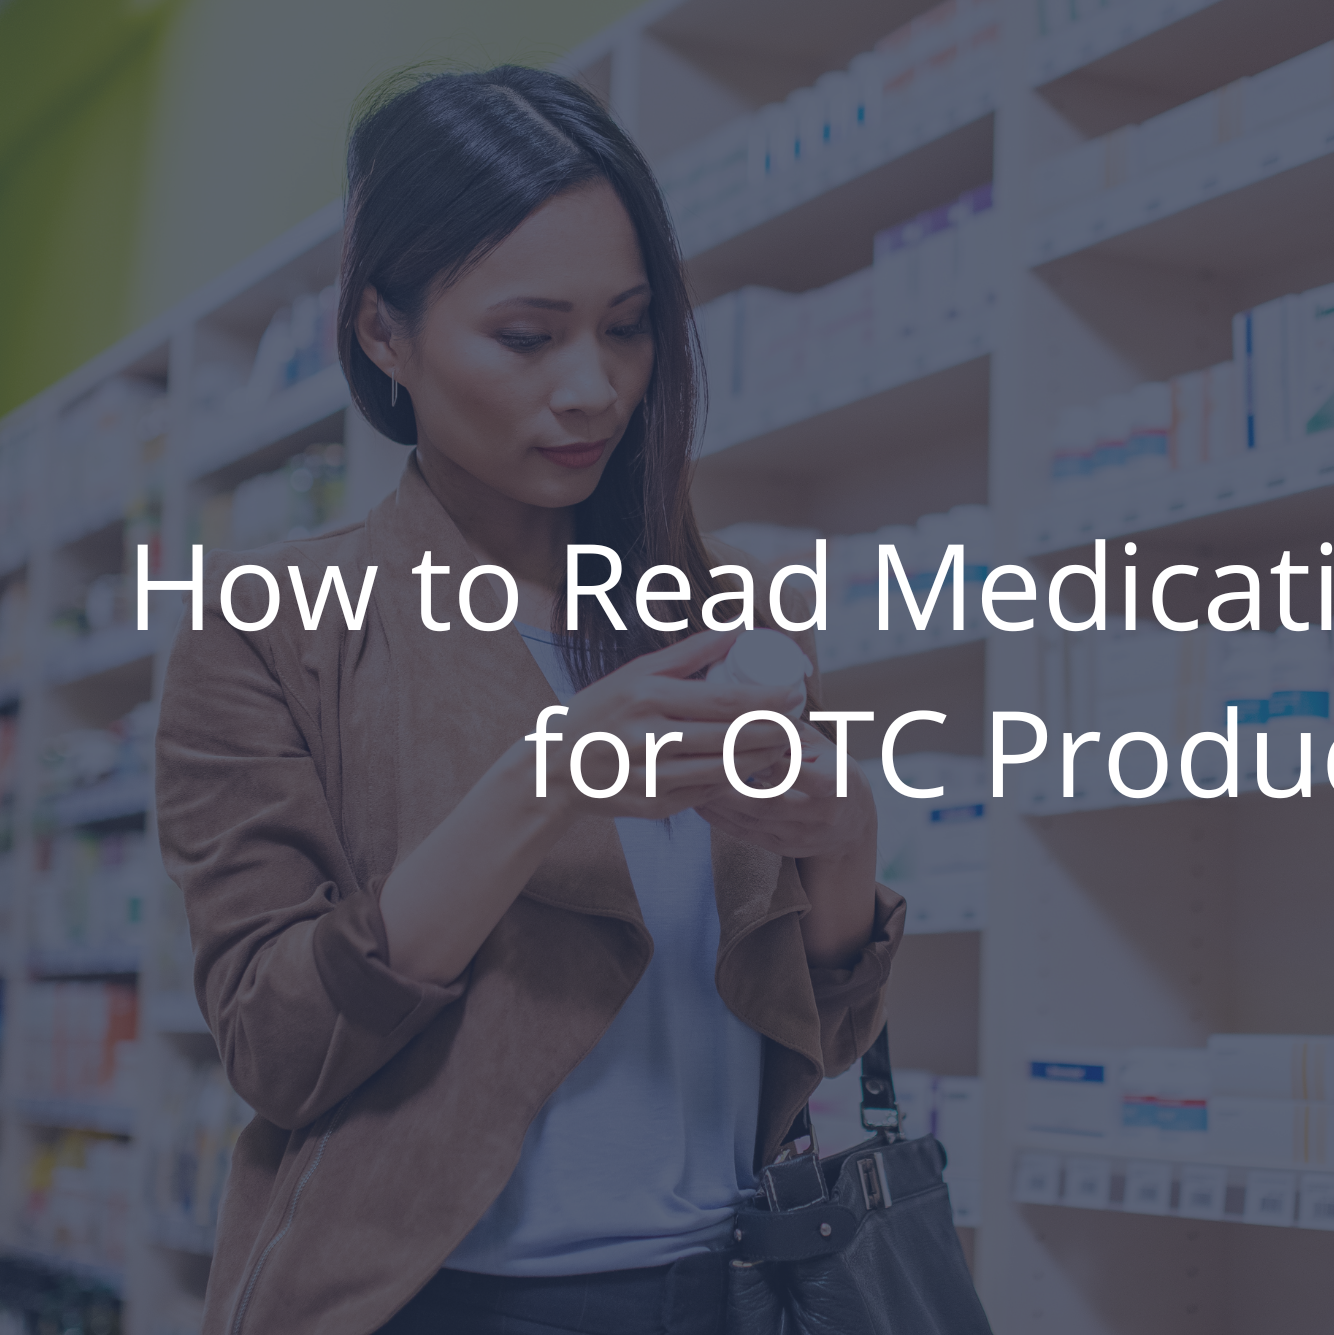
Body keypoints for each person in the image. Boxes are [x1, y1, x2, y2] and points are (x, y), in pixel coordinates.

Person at [153, 66, 901, 1335]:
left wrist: (841, 851)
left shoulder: (717, 620)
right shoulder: (273, 627)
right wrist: (544, 782)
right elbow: (276, 1047)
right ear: (383, 332)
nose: (594, 388)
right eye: (526, 334)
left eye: (626, 326)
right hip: (437, 1303)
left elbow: (809, 1036)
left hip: (732, 1288)